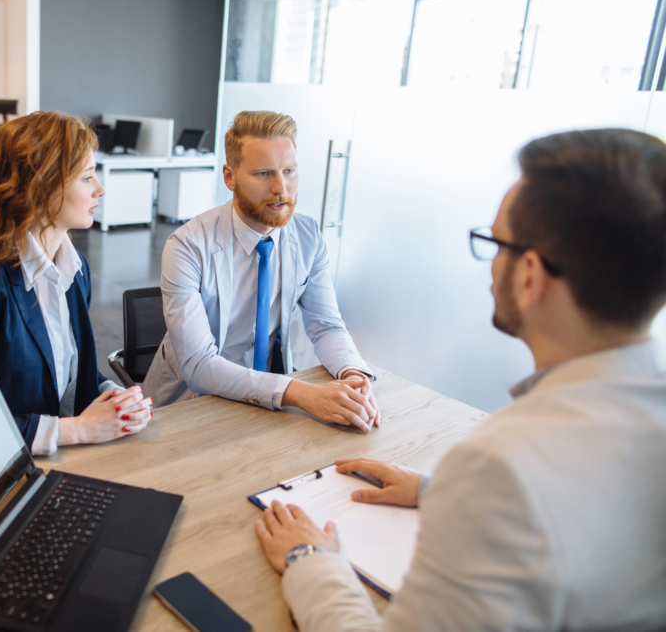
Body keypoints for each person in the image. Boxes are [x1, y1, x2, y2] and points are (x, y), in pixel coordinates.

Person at [254, 128, 666, 631]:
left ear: (531, 275)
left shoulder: (502, 466)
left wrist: (308, 559)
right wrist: (437, 490)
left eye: (494, 242)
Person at [0, 111, 153, 455]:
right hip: (4, 474)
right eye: (87, 178)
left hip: (67, 460)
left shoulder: (76, 270)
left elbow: (67, 369)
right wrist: (78, 430)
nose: (100, 190)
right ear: (42, 186)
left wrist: (115, 398)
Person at [143, 111, 379, 432]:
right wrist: (299, 393)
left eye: (289, 171)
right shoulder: (187, 245)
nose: (281, 188)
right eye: (264, 173)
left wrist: (353, 375)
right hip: (190, 407)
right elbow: (199, 366)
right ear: (230, 177)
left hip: (269, 405)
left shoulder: (308, 236)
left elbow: (326, 326)